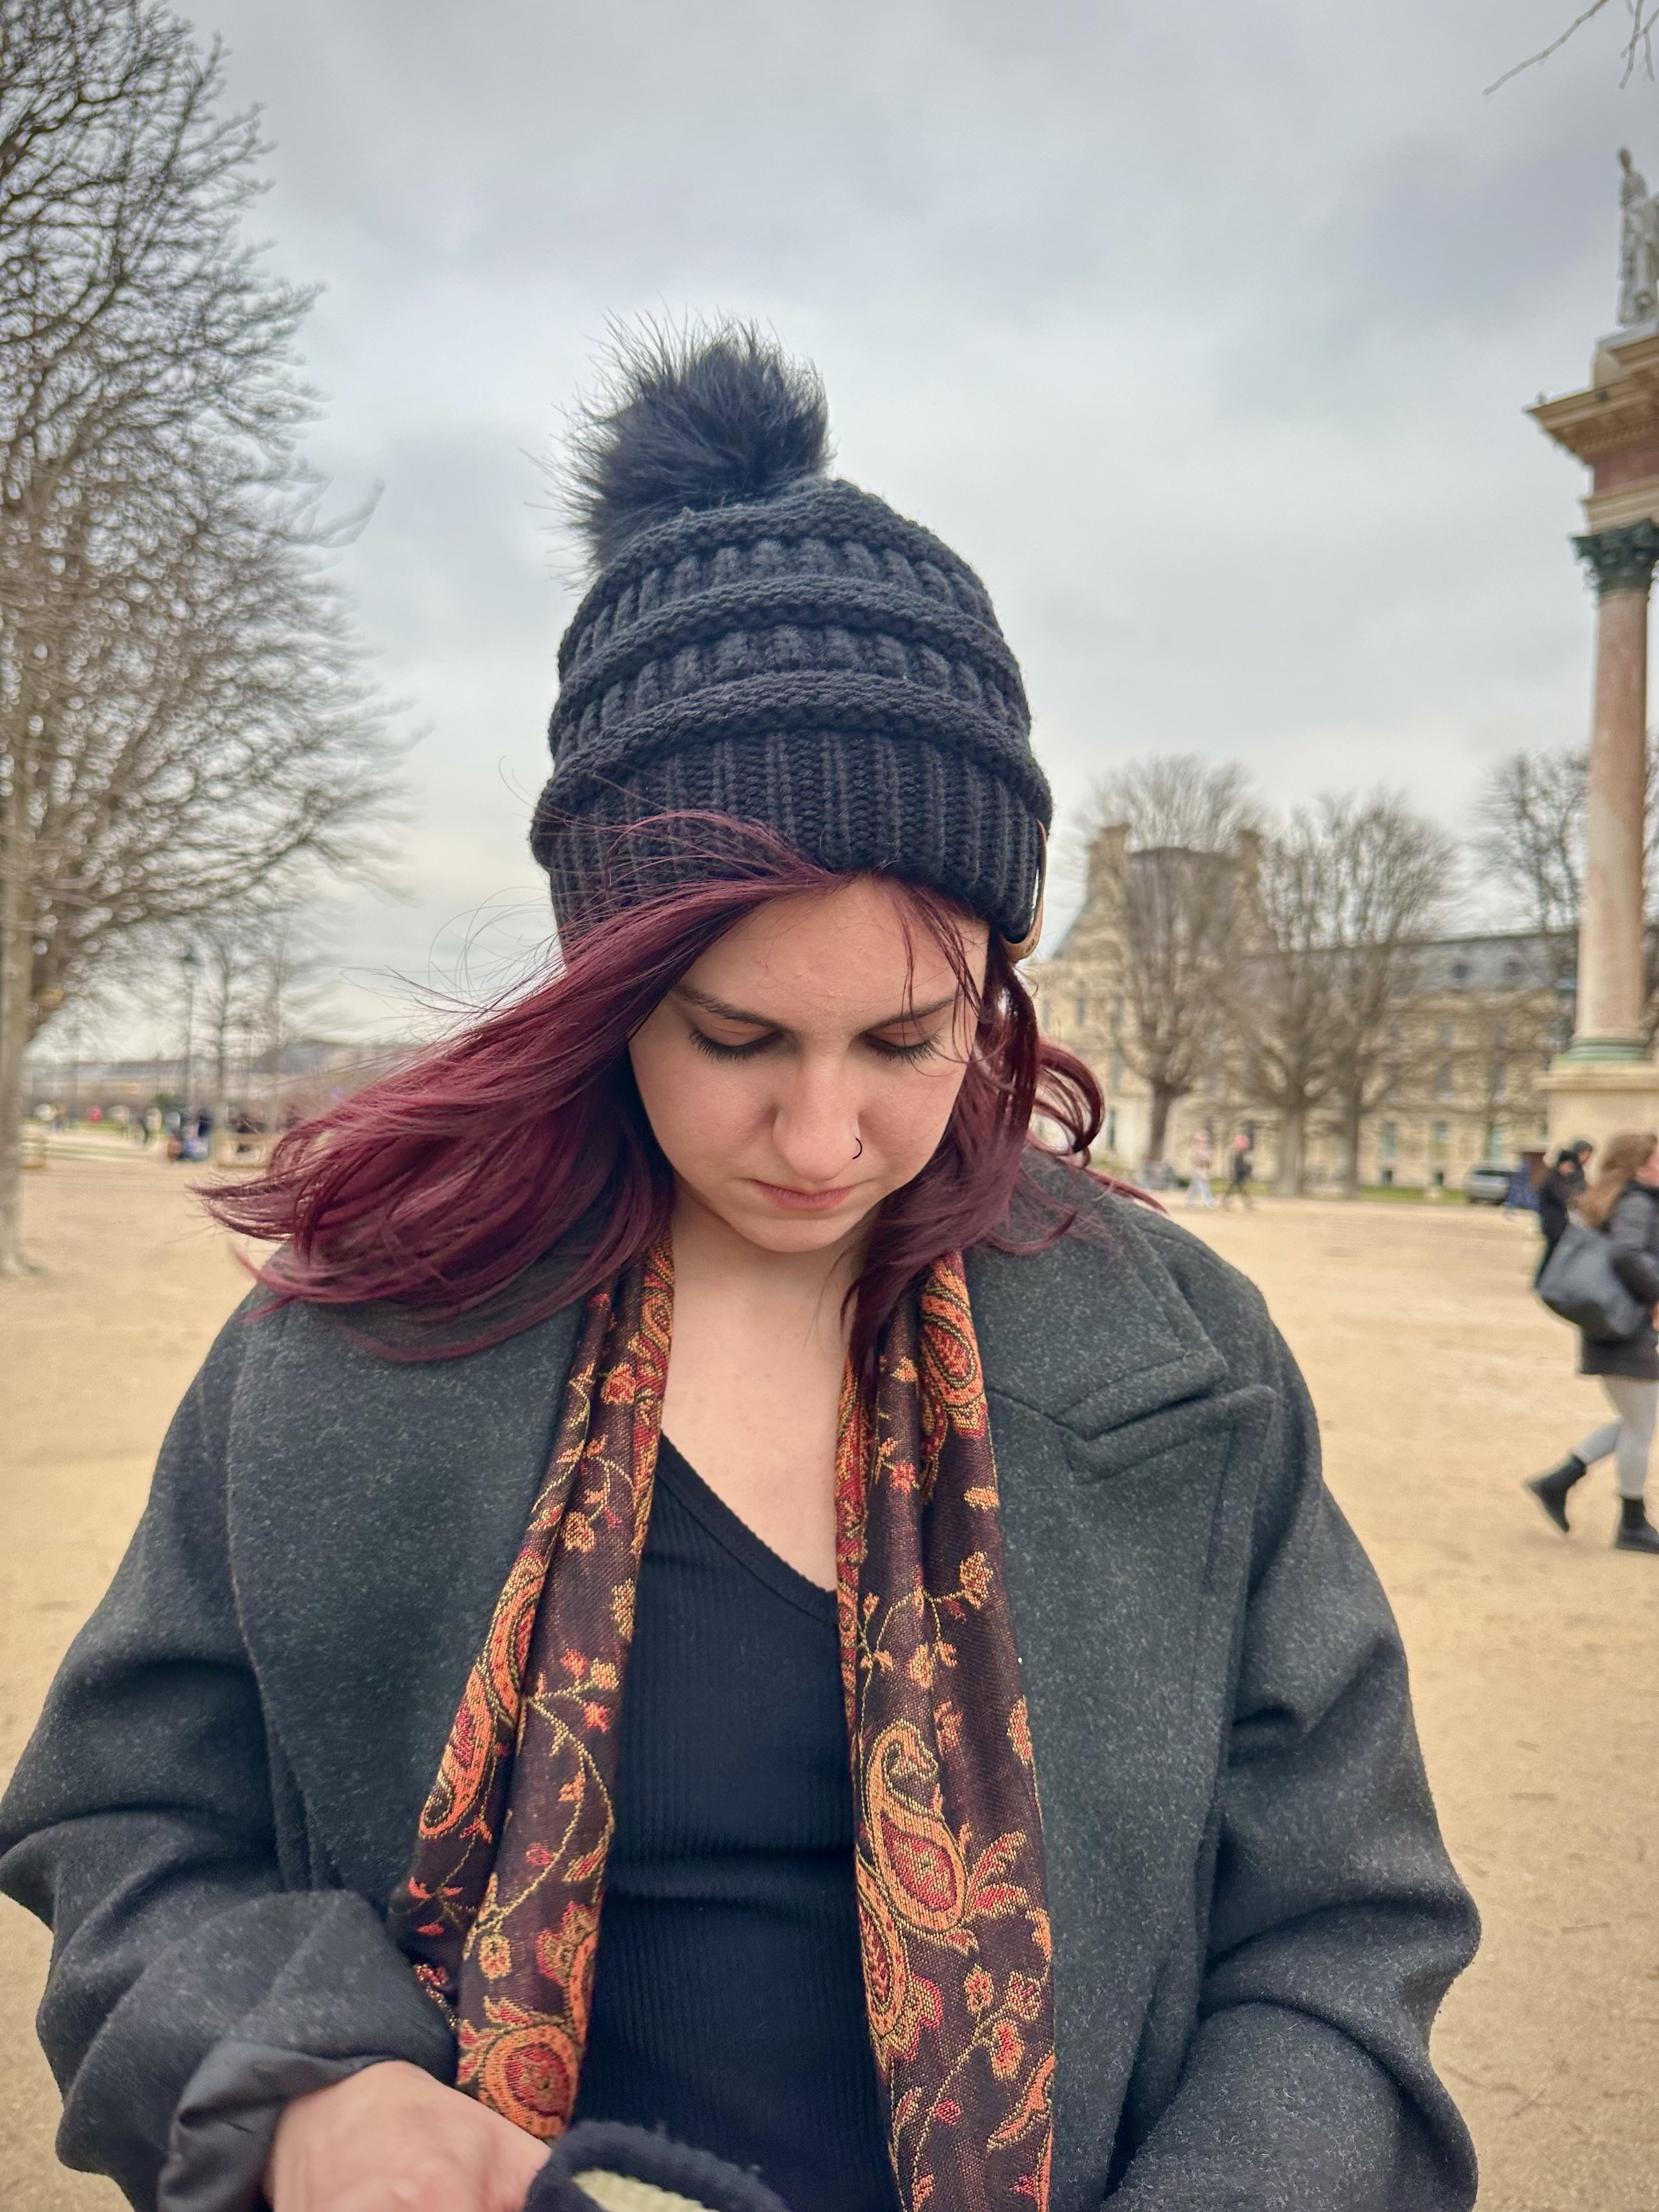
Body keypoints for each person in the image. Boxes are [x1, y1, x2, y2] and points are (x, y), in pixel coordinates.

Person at [0, 329, 1477, 2212]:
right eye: (736, 1035)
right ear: (605, 987)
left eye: (907, 1039)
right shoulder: (356, 1335)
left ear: (995, 986)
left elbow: (1345, 1932)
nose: (822, 1135)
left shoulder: (1183, 1357)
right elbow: (129, 1826)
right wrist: (308, 2094)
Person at [1526, 1128, 1659, 1553]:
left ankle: (1560, 1480)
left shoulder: (1620, 1200)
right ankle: (1632, 1525)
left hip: (1614, 1327)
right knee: (1640, 1427)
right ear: (1639, 1167)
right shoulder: (1638, 1202)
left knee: (1635, 1421)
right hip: (1629, 1330)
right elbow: (1627, 1253)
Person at [1534, 1139, 1592, 1284]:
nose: (1570, 1169)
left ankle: (1545, 1279)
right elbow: (1562, 1197)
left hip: (1560, 1223)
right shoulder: (1554, 1179)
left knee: (1554, 1253)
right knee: (1552, 1252)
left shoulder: (1563, 1179)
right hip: (1553, 1223)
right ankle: (1542, 1280)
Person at [1183, 1126, 1217, 1208]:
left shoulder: (1206, 1149)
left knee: (1194, 1187)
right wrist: (1203, 1159)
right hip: (1196, 1170)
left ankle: (1189, 1200)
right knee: (1203, 1185)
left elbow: (1209, 1161)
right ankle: (1209, 1200)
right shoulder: (1195, 1149)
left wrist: (1208, 1161)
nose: (1205, 1142)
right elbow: (1195, 1160)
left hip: (1203, 1171)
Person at [1220, 1130, 1255, 1207]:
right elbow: (1238, 1166)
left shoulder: (1242, 1154)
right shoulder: (1237, 1155)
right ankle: (1226, 1201)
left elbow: (1246, 1166)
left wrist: (1247, 1172)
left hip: (1241, 1175)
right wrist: (1245, 1172)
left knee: (1243, 1190)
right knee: (1235, 1190)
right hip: (1237, 1175)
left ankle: (1248, 1203)